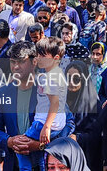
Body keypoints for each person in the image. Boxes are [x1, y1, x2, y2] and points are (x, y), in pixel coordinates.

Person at [17, 37, 69, 171]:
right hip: (52, 122)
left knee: (21, 146)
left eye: (42, 55)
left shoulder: (52, 77)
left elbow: (55, 103)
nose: (38, 58)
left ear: (56, 57)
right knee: (42, 152)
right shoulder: (53, 74)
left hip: (45, 122)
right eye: (38, 54)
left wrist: (46, 126)